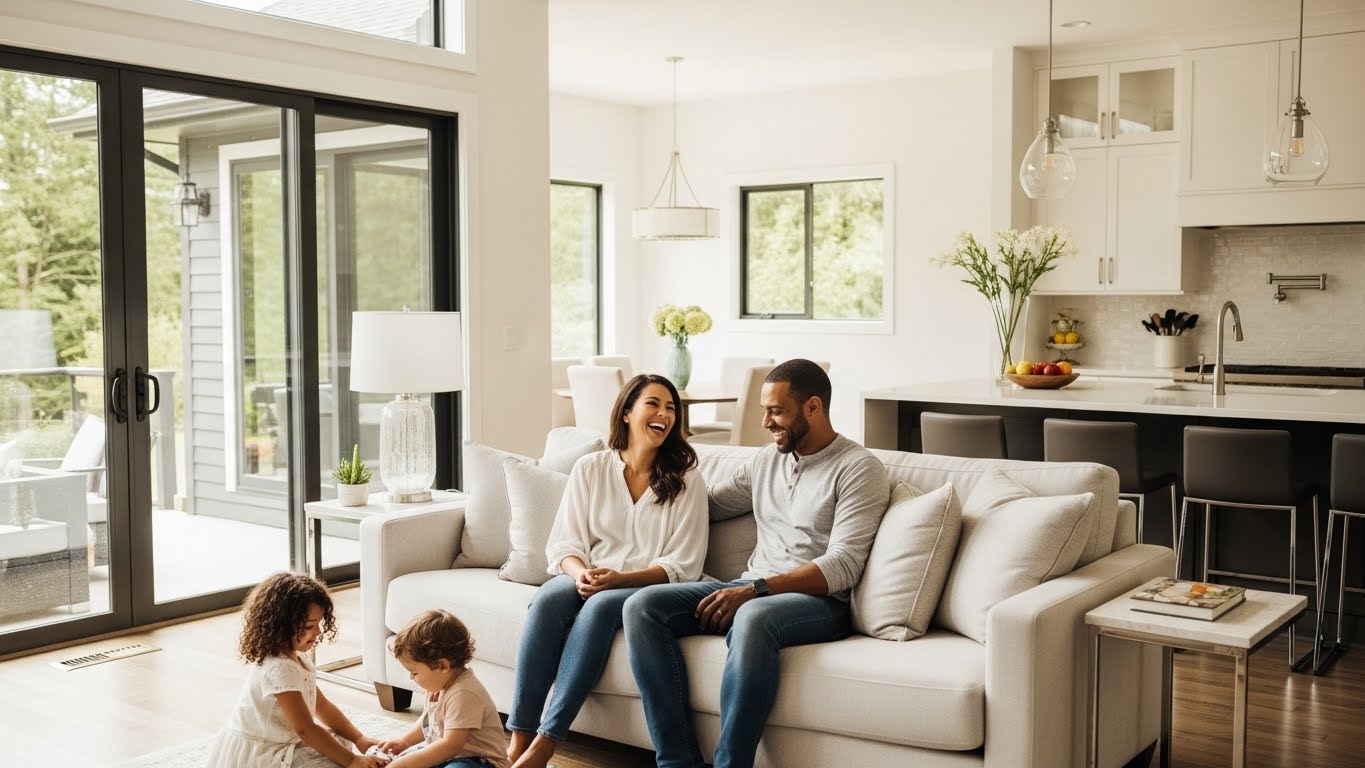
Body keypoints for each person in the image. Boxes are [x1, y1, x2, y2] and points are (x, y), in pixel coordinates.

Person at [623, 359, 890, 768]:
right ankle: (677, 761)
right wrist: (644, 476)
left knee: (753, 618)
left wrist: (754, 590)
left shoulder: (858, 469)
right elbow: (705, 506)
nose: (765, 421)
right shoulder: (767, 460)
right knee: (642, 606)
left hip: (818, 603)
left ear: (813, 407)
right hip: (749, 588)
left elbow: (843, 566)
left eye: (776, 411)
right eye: (765, 409)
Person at [506, 374, 709, 768]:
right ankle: (519, 738)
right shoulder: (590, 468)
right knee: (548, 599)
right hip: (593, 576)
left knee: (600, 608)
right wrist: (579, 572)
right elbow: (564, 543)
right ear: (628, 412)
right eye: (654, 404)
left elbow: (683, 564)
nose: (664, 414)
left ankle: (546, 743)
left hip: (645, 587)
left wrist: (620, 580)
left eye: (671, 408)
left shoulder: (686, 479)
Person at [206, 571, 387, 768]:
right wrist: (352, 760)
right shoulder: (279, 668)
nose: (318, 632)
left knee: (339, 740)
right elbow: (305, 729)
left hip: (286, 740)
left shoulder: (297, 657)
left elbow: (322, 706)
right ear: (282, 625)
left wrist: (360, 739)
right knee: (335, 758)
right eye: (310, 625)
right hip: (265, 753)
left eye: (319, 624)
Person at [373, 610, 510, 768]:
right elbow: (428, 722)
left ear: (443, 665)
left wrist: (404, 765)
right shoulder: (439, 685)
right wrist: (404, 742)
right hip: (451, 757)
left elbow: (450, 746)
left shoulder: (464, 694)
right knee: (412, 757)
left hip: (481, 762)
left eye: (414, 672)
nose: (411, 678)